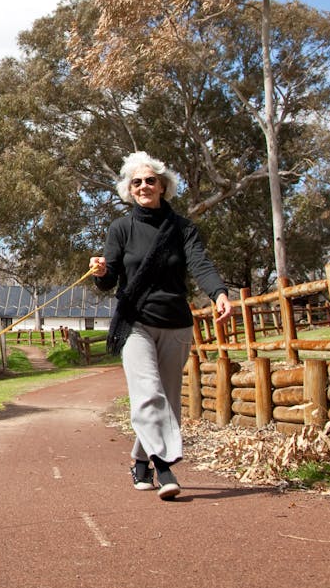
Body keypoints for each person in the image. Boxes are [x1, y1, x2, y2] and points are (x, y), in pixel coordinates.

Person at [89, 151, 232, 500]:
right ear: (128, 189)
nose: (144, 186)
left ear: (163, 186)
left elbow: (200, 262)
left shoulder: (182, 228)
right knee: (148, 394)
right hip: (134, 322)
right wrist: (102, 271)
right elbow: (107, 280)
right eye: (136, 182)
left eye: (150, 180)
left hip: (176, 324)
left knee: (166, 400)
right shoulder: (121, 228)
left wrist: (219, 293)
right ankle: (165, 467)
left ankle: (141, 460)